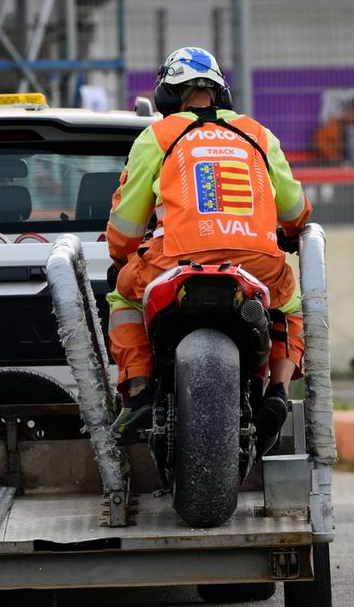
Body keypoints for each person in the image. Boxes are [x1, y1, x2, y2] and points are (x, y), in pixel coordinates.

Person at [105, 47, 312, 454]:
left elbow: (126, 228)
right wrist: (288, 233)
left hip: (176, 259)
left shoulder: (158, 136)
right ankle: (278, 389)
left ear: (167, 93)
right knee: (288, 305)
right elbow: (295, 210)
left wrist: (121, 255)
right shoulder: (258, 133)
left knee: (124, 295)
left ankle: (140, 391)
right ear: (221, 93)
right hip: (255, 262)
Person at [311, 93, 354, 166]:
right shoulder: (336, 123)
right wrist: (333, 157)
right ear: (352, 108)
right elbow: (320, 142)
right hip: (338, 164)